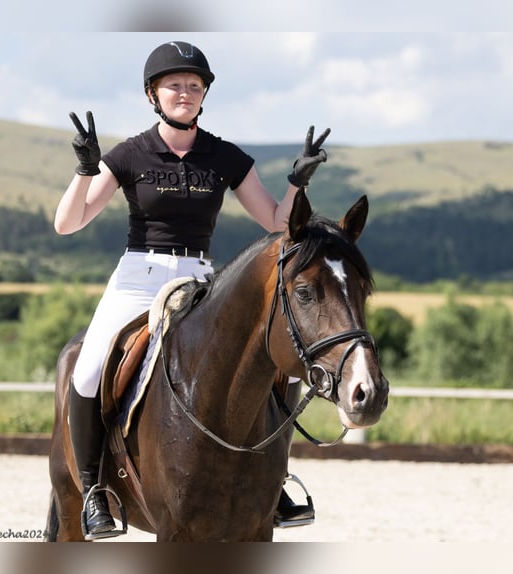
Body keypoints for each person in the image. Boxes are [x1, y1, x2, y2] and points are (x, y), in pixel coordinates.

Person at [54, 40, 330, 538]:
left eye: (195, 85)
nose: (186, 92)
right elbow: (68, 223)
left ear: (205, 95)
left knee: (273, 363)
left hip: (202, 280)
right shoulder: (130, 154)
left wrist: (298, 183)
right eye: (175, 84)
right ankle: (94, 489)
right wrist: (85, 170)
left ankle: (276, 481)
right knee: (90, 365)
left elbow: (275, 221)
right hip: (138, 279)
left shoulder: (223, 156)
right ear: (152, 94)